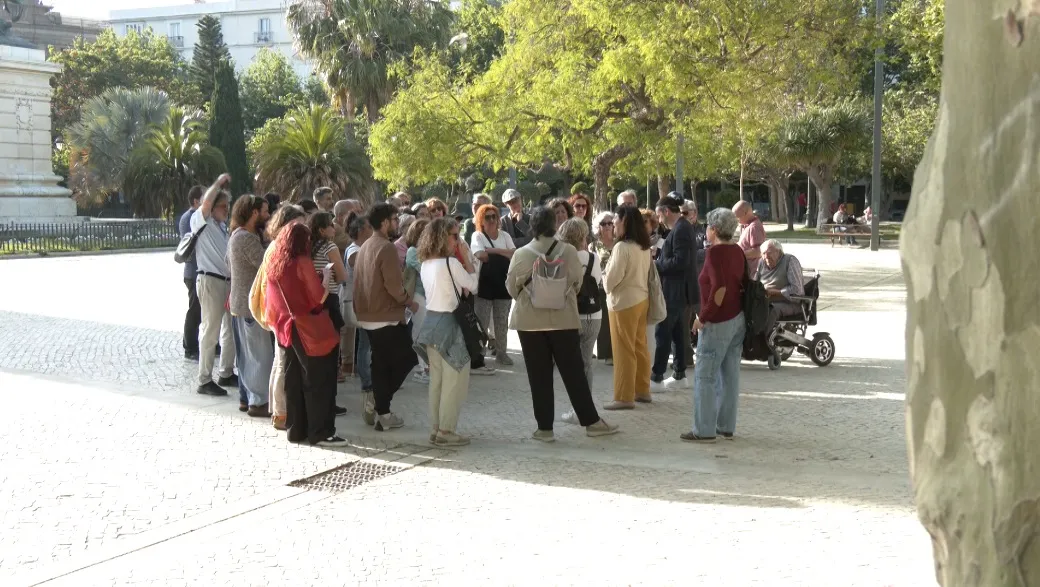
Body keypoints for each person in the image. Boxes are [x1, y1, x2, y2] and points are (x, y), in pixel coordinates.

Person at [506, 206, 619, 442]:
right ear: (554, 225)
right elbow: (577, 282)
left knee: (539, 376)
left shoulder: (521, 253)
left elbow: (510, 287)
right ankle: (592, 422)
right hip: (563, 320)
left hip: (530, 322)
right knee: (574, 372)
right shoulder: (567, 251)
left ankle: (544, 428)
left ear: (532, 226)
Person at [264, 223, 346, 447]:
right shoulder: (302, 261)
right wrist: (327, 276)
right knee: (319, 381)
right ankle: (321, 432)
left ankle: (296, 429)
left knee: (294, 380)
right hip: (308, 328)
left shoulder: (275, 262)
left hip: (287, 329)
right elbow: (319, 297)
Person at [353, 203, 420, 431]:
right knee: (407, 358)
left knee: (381, 363)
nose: (397, 223)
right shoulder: (386, 247)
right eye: (393, 219)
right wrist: (408, 301)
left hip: (369, 314)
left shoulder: (366, 245)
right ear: (384, 222)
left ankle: (382, 411)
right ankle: (381, 405)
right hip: (384, 314)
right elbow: (393, 285)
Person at [683, 208, 747, 444]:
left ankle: (704, 429)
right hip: (737, 318)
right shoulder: (737, 250)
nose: (705, 230)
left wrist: (703, 318)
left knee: (705, 376)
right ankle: (725, 426)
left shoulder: (715, 254)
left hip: (718, 321)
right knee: (730, 376)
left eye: (708, 226)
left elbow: (719, 290)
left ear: (715, 230)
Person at [414, 218, 479, 447]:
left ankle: (436, 427)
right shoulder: (450, 263)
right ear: (443, 237)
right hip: (450, 324)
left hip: (432, 324)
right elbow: (473, 285)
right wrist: (469, 262)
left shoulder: (426, 264)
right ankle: (446, 430)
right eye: (454, 235)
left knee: (438, 382)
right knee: (455, 381)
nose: (458, 240)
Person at [250, 204, 307, 430]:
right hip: (282, 313)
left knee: (279, 360)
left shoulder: (275, 246)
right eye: (300, 224)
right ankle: (281, 412)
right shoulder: (278, 248)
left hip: (277, 312)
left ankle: (278, 411)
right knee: (283, 361)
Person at [602, 205, 653, 409]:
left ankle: (624, 397)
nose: (614, 223)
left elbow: (610, 281)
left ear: (625, 222)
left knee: (623, 350)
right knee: (639, 346)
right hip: (641, 300)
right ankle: (642, 390)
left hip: (623, 303)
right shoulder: (644, 246)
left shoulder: (622, 248)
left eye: (616, 219)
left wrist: (604, 275)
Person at [191, 174, 237, 397]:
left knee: (229, 329)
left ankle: (226, 371)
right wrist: (218, 183)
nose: (226, 210)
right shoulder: (201, 221)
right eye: (222, 206)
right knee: (211, 330)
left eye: (227, 206)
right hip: (211, 280)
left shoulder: (220, 227)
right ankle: (204, 378)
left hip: (226, 282)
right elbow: (207, 202)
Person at [228, 195, 273, 416]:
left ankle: (249, 399)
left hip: (241, 303)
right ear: (253, 213)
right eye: (264, 211)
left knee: (248, 355)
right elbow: (266, 262)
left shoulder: (238, 235)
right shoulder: (246, 238)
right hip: (249, 306)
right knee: (259, 356)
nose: (268, 215)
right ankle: (258, 402)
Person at [557, 218, 603, 425]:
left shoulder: (563, 258)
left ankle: (576, 409)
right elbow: (599, 282)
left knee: (573, 366)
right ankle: (586, 409)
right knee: (587, 364)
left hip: (571, 316)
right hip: (594, 316)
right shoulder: (594, 258)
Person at [650, 196, 698, 391]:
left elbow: (680, 261)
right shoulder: (680, 229)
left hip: (676, 290)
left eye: (659, 215)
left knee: (663, 332)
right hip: (679, 289)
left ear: (666, 212)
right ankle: (679, 374)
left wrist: (657, 264)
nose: (659, 219)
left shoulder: (681, 230)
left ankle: (657, 377)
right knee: (678, 333)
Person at [470, 203, 515, 366]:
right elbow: (481, 255)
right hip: (484, 284)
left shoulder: (505, 236)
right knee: (481, 321)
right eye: (487, 217)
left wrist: (491, 251)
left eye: (493, 216)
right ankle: (479, 354)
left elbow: (514, 254)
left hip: (503, 284)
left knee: (501, 321)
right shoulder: (478, 236)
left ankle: (502, 353)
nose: (491, 220)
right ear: (481, 220)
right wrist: (502, 253)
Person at [309, 213, 349, 387]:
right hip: (329, 296)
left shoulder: (308, 246)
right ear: (322, 230)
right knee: (332, 343)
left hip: (312, 298)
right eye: (331, 225)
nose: (334, 228)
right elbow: (342, 275)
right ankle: (330, 384)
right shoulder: (329, 246)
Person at [343, 214, 375, 412]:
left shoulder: (360, 248)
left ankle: (368, 378)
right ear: (362, 230)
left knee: (366, 343)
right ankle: (367, 381)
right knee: (365, 344)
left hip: (362, 303)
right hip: (357, 303)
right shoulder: (354, 249)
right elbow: (356, 262)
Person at [756, 239, 805, 335]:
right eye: (763, 253)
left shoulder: (790, 261)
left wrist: (776, 292)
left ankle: (762, 341)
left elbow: (797, 290)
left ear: (778, 252)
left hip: (789, 303)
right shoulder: (762, 262)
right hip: (766, 300)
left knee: (770, 310)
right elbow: (756, 283)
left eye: (769, 253)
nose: (766, 256)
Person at [404, 218, 432, 383]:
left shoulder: (430, 250)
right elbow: (424, 271)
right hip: (418, 296)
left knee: (427, 333)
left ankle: (426, 366)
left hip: (430, 296)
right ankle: (421, 368)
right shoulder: (413, 251)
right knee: (419, 332)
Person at [179, 185, 204, 361]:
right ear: (196, 201)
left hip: (199, 270)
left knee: (203, 310)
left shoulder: (198, 217)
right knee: (195, 310)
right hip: (193, 271)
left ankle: (209, 344)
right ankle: (190, 347)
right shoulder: (190, 218)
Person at [591, 211, 615, 365]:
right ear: (597, 227)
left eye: (610, 223)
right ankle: (607, 354)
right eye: (603, 224)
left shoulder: (620, 242)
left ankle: (616, 352)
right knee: (604, 322)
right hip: (600, 287)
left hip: (618, 286)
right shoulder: (593, 245)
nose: (607, 226)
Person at [733, 200, 765, 277]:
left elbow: (758, 251)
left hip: (752, 274)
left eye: (737, 217)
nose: (736, 220)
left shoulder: (754, 227)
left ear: (745, 213)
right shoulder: (746, 225)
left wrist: (737, 254)